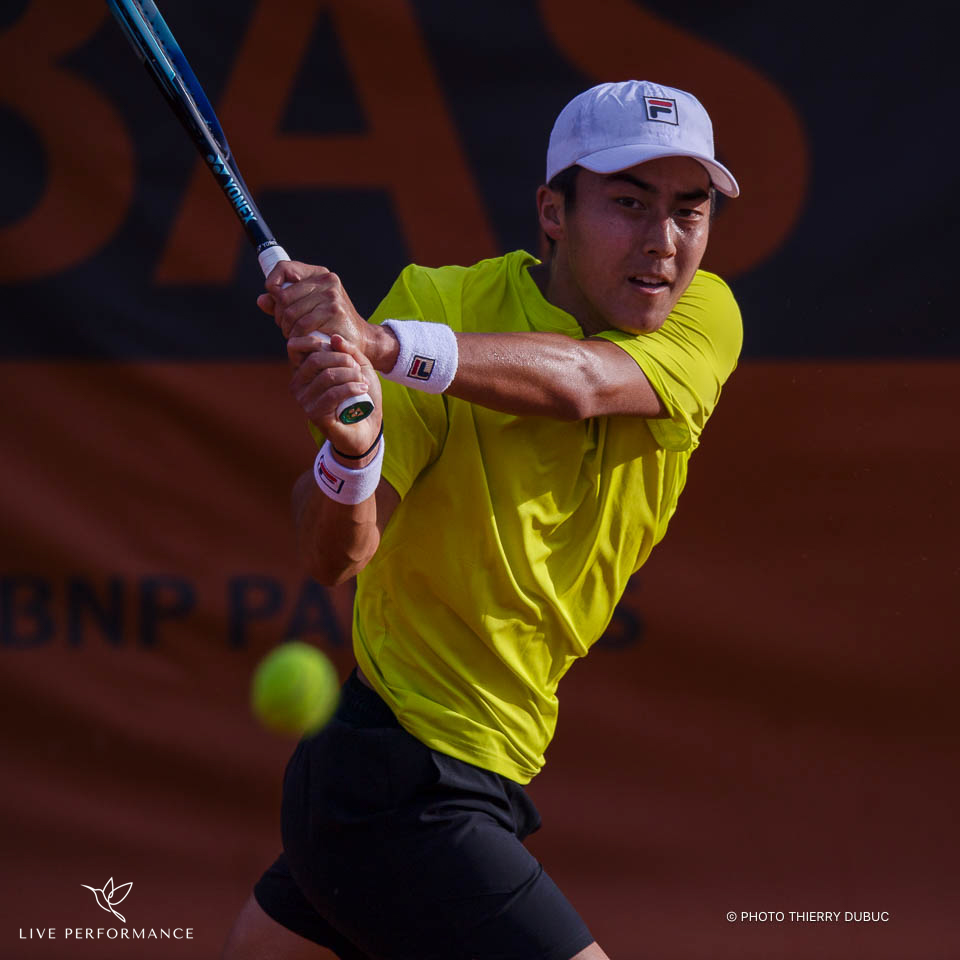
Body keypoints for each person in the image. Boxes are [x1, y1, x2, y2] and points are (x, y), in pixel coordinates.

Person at [222, 79, 742, 960]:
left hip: (476, 769)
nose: (664, 241)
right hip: (395, 781)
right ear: (552, 212)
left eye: (689, 210)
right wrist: (354, 452)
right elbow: (333, 556)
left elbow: (582, 384)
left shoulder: (704, 314)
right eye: (628, 203)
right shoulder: (445, 305)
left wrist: (380, 345)